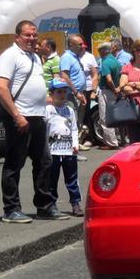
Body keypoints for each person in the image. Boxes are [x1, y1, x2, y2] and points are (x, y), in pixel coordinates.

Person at [0, 20, 67, 223]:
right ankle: (11, 209)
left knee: (44, 162)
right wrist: (17, 115)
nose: (32, 38)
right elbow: (0, 88)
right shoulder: (10, 56)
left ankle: (44, 206)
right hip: (20, 117)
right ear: (17, 36)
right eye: (27, 35)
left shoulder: (35, 57)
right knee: (14, 164)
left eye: (34, 35)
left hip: (38, 116)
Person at [45, 79, 83, 217]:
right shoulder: (48, 110)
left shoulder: (70, 110)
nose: (62, 95)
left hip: (68, 150)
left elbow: (73, 128)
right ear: (52, 93)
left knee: (72, 177)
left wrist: (75, 143)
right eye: (59, 92)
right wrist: (45, 148)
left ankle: (75, 202)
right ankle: (52, 202)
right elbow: (46, 130)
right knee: (52, 178)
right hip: (53, 150)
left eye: (64, 91)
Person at [96, 40, 122, 149]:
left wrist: (113, 88)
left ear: (102, 51)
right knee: (114, 116)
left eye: (99, 51)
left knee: (105, 118)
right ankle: (118, 139)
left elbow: (108, 79)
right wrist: (117, 89)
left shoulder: (105, 62)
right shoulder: (116, 61)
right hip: (115, 92)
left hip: (107, 91)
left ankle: (111, 142)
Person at [78, 40, 99, 150]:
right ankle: (77, 138)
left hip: (87, 89)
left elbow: (95, 74)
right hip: (75, 90)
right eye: (79, 46)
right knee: (77, 115)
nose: (82, 48)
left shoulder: (89, 57)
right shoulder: (71, 56)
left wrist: (93, 90)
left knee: (86, 114)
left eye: (83, 46)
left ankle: (88, 138)